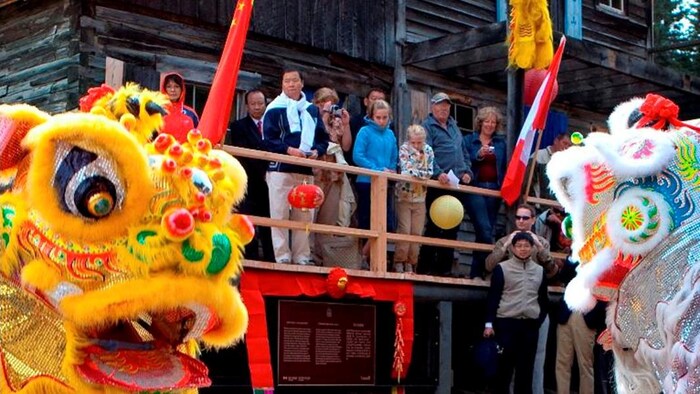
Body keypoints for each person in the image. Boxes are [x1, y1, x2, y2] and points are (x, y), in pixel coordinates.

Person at [485, 203, 557, 394]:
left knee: (534, 361)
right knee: (506, 365)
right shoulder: (505, 241)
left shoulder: (542, 242)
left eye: (525, 218)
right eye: (518, 218)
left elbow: (551, 271)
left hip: (534, 308)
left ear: (533, 220)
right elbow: (490, 265)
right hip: (510, 309)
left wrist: (540, 247)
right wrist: (507, 245)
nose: (521, 221)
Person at [262, 69, 329, 265]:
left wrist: (317, 150)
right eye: (287, 81)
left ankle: (302, 257)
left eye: (294, 81)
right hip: (280, 167)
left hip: (305, 168)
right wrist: (289, 150)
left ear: (302, 83)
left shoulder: (311, 109)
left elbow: (323, 138)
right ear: (282, 85)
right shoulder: (274, 108)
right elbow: (268, 139)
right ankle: (282, 256)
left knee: (304, 214)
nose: (291, 84)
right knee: (279, 212)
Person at [417, 92, 473, 277]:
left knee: (452, 226)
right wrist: (438, 173)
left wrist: (467, 172)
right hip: (438, 184)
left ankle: (444, 269)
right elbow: (426, 153)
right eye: (440, 105)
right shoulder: (427, 127)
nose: (444, 108)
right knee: (434, 225)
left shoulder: (454, 126)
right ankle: (424, 267)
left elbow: (463, 152)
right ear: (432, 107)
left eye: (446, 105)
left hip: (455, 184)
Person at [225, 90, 274, 262]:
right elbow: (245, 152)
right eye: (253, 104)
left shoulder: (272, 125)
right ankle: (250, 257)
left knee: (270, 220)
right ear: (247, 105)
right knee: (248, 220)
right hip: (250, 180)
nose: (257, 107)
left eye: (260, 103)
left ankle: (271, 257)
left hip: (272, 180)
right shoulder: (239, 126)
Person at [311, 87, 358, 265]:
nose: (328, 106)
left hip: (334, 174)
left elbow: (346, 147)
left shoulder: (337, 120)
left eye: (330, 102)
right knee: (311, 214)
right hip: (317, 171)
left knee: (329, 216)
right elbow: (316, 138)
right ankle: (308, 254)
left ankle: (323, 257)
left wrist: (345, 125)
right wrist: (323, 116)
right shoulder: (310, 116)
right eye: (323, 102)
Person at [463, 106, 507, 279]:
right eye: (487, 121)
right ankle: (479, 271)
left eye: (493, 122)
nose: (489, 125)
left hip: (494, 190)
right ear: (480, 122)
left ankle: (480, 271)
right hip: (475, 187)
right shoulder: (469, 140)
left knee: (488, 231)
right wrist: (478, 155)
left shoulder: (501, 143)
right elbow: (465, 160)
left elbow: (505, 166)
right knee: (484, 228)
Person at [352, 99, 398, 262]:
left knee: (386, 222)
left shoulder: (391, 134)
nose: (381, 121)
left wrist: (391, 169)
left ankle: (365, 256)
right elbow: (357, 156)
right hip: (366, 181)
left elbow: (394, 156)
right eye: (378, 117)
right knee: (366, 220)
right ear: (371, 116)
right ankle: (364, 257)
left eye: (385, 117)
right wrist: (377, 169)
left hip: (385, 183)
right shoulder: (365, 131)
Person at [554, 258, 601, 394]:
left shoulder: (604, 255)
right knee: (562, 362)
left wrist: (594, 316)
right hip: (567, 313)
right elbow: (563, 276)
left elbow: (606, 292)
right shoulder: (578, 253)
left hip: (586, 314)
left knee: (585, 364)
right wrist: (572, 257)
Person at [394, 125, 434, 273]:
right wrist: (418, 172)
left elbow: (429, 171)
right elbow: (406, 169)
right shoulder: (404, 149)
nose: (417, 146)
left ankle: (411, 262)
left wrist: (417, 172)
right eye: (414, 143)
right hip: (404, 195)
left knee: (417, 231)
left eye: (419, 143)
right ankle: (399, 261)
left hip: (420, 196)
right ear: (409, 140)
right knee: (404, 229)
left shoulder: (428, 150)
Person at [347, 87, 388, 166]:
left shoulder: (389, 129)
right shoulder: (355, 122)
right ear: (366, 101)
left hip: (384, 172)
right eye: (374, 99)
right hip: (358, 170)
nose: (377, 102)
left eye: (381, 100)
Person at [531, 131, 572, 200]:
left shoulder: (567, 164)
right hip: (539, 205)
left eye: (569, 146)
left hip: (558, 207)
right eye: (564, 143)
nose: (566, 147)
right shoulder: (538, 156)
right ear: (556, 141)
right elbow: (528, 184)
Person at [160, 71, 200, 143]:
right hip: (160, 152)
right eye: (169, 87)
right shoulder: (157, 110)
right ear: (164, 89)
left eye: (176, 86)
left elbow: (199, 138)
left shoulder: (191, 113)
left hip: (185, 153)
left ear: (182, 89)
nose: (173, 90)